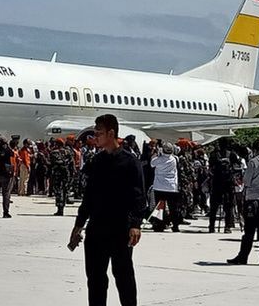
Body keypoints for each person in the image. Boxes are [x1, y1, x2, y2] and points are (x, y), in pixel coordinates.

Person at [69, 114, 146, 306]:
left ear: (111, 133)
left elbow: (139, 196)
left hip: (120, 229)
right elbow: (88, 197)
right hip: (96, 229)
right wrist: (79, 225)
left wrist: (136, 224)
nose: (95, 136)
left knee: (124, 277)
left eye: (99, 133)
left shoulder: (130, 162)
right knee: (95, 279)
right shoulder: (97, 162)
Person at [227, 140, 259, 266]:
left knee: (249, 230)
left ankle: (243, 256)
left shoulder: (253, 162)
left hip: (253, 198)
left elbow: (247, 181)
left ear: (255, 150)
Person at [149, 142, 180, 232]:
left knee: (160, 207)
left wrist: (156, 153)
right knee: (173, 208)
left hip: (159, 186)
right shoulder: (174, 159)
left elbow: (151, 163)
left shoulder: (158, 160)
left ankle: (160, 225)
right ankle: (175, 226)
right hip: (171, 186)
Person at [50, 138, 74, 216]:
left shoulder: (54, 152)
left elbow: (53, 163)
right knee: (64, 191)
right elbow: (71, 163)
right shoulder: (68, 152)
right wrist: (71, 173)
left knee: (58, 191)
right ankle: (62, 208)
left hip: (58, 174)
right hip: (66, 174)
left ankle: (59, 209)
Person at [0, 136, 13, 218]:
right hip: (5, 174)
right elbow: (11, 158)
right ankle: (6, 212)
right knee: (6, 194)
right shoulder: (7, 150)